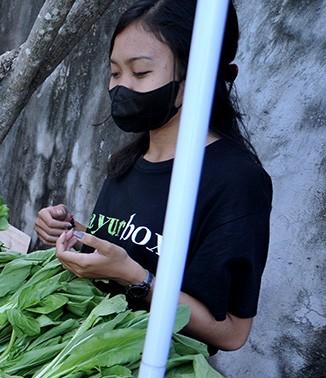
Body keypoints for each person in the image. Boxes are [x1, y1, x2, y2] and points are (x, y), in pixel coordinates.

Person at [34, 0, 271, 353]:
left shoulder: (237, 181)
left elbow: (233, 332)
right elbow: (134, 245)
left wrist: (136, 278)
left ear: (196, 75)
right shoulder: (129, 161)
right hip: (83, 355)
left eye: (140, 73)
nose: (121, 87)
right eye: (115, 73)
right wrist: (71, 232)